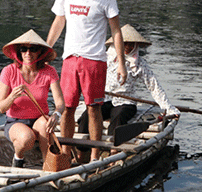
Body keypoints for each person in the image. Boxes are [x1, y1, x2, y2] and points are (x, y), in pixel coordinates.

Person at [46, 0, 127, 162]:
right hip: (70, 58)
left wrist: (122, 64)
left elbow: (116, 31)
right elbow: (58, 22)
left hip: (94, 59)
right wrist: (46, 50)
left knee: (93, 108)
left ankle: (94, 154)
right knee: (67, 108)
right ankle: (65, 153)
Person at [77, 25, 180, 158]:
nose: (128, 47)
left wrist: (169, 108)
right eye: (125, 44)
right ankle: (81, 153)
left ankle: (112, 153)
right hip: (106, 98)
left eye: (131, 44)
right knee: (87, 117)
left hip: (127, 101)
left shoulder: (139, 64)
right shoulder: (105, 58)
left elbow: (154, 87)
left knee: (118, 118)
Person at [0, 29, 65, 168]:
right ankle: (18, 158)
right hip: (15, 121)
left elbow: (60, 103)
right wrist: (12, 96)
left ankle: (48, 165)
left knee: (45, 126)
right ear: (19, 52)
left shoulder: (49, 71)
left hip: (39, 118)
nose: (28, 53)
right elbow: (1, 107)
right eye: (24, 49)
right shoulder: (8, 71)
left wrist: (56, 115)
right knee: (27, 138)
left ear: (39, 52)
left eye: (33, 49)